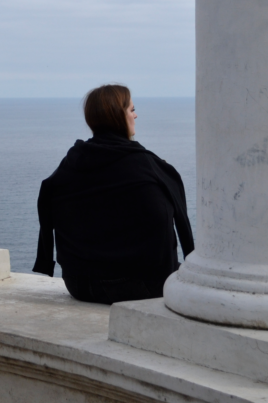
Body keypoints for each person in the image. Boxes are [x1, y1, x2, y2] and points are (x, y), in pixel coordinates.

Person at [32, 84, 194, 305]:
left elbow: (47, 193)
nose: (135, 115)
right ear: (118, 116)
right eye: (131, 110)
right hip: (142, 287)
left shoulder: (71, 162)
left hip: (79, 284)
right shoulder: (147, 165)